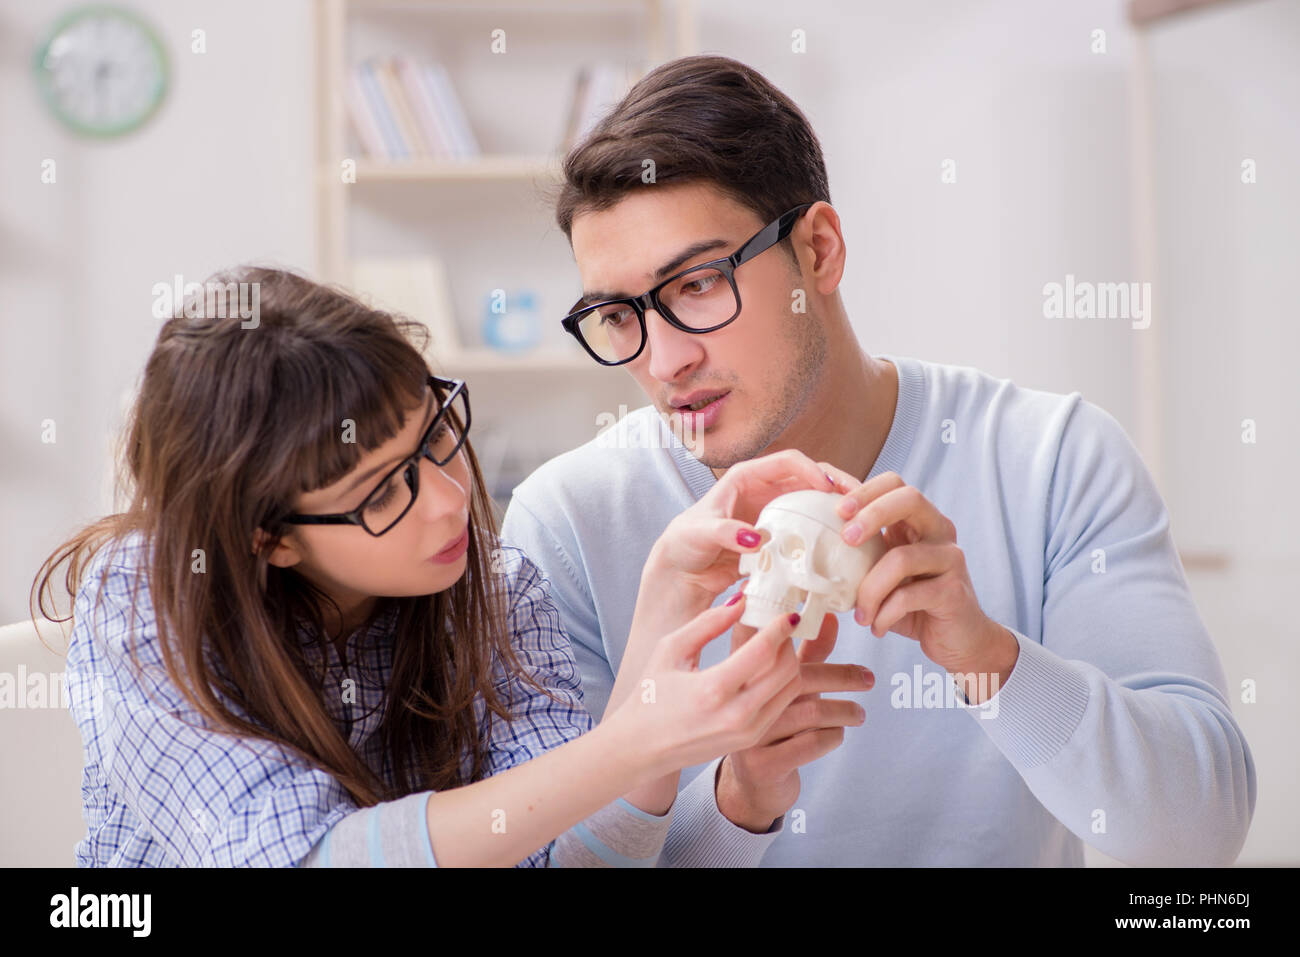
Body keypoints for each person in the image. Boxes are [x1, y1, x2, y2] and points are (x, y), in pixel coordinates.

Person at [500, 54, 1258, 865]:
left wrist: (995, 663)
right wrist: (735, 798)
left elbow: (1199, 837)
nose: (664, 361)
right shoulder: (568, 521)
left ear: (819, 251)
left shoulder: (1052, 458)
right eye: (618, 315)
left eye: (696, 285)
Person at [32, 265, 833, 867]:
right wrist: (631, 745)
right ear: (266, 538)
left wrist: (667, 604)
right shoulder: (147, 599)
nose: (450, 501)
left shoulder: (491, 586)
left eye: (435, 433)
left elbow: (564, 857)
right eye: (382, 491)